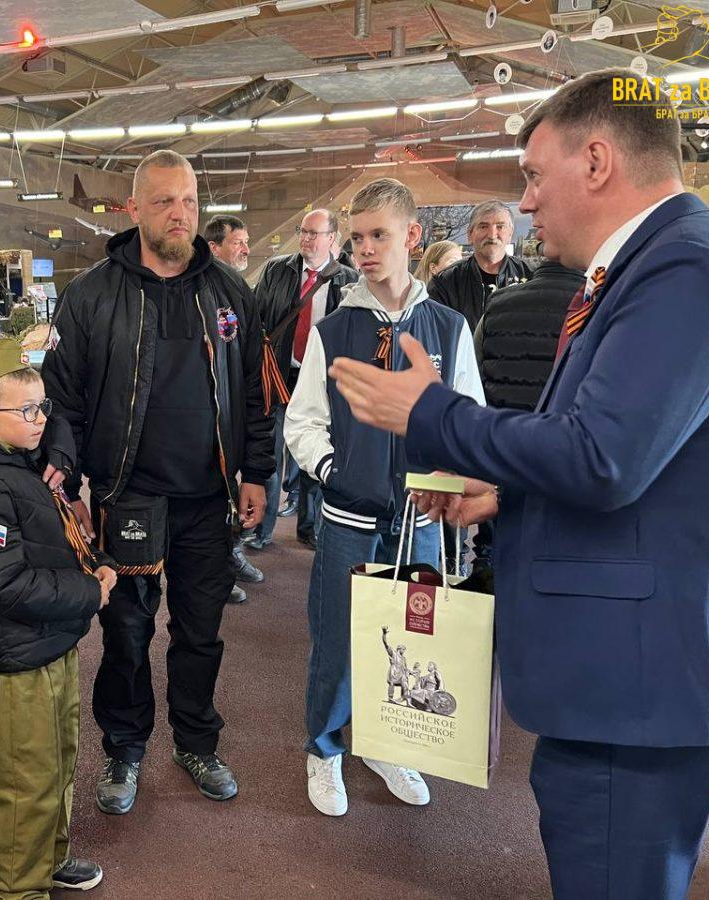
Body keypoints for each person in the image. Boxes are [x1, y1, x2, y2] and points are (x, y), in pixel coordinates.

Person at [328, 68, 709, 899]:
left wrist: (430, 413)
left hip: (645, 679)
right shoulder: (677, 261)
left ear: (597, 161)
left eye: (536, 176)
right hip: (647, 668)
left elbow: (602, 455)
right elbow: (655, 457)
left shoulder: (688, 268)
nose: (527, 201)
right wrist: (508, 492)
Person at [42, 149, 273, 815]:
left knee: (201, 632)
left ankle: (196, 741)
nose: (181, 213)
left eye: (190, 201)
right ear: (135, 208)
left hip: (208, 497)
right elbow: (63, 402)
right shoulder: (90, 296)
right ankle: (124, 747)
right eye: (166, 201)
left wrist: (257, 472)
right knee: (126, 632)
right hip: (128, 496)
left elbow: (257, 394)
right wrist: (68, 490)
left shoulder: (231, 293)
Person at [285, 177, 483, 817]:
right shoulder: (335, 328)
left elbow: (469, 417)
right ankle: (324, 749)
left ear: (413, 236)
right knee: (338, 639)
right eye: (357, 237)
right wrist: (335, 470)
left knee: (409, 642)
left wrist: (451, 476)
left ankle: (387, 743)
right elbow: (303, 420)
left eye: (380, 235)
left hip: (421, 522)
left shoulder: (449, 328)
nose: (366, 249)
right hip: (348, 518)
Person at [0, 339, 109, 898]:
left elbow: (45, 545)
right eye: (28, 410)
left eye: (43, 406)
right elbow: (2, 584)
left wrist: (90, 567)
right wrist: (88, 592)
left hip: (51, 636)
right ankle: (17, 888)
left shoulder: (19, 461)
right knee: (26, 781)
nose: (42, 419)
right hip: (22, 649)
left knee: (60, 761)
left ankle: (48, 859)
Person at [255, 208, 358, 551]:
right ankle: (261, 529)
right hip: (279, 375)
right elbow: (258, 317)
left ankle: (309, 527)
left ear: (332, 238)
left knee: (314, 454)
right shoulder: (276, 270)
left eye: (314, 233)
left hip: (322, 381)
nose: (306, 238)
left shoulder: (348, 279)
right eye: (303, 231)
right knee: (269, 454)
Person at [205, 216, 257, 602]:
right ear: (214, 247)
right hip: (202, 432)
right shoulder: (196, 293)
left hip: (232, 422)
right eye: (237, 242)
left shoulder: (238, 288)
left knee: (231, 495)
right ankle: (223, 564)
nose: (245, 249)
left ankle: (231, 555)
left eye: (245, 241)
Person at [474, 251, 584, 411]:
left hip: (501, 421)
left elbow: (474, 372)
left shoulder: (497, 304)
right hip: (565, 421)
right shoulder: (596, 304)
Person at [427, 199, 536, 331]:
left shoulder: (531, 277)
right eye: (483, 227)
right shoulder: (445, 283)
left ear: (510, 235)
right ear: (470, 235)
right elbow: (434, 332)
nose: (492, 235)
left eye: (500, 227)